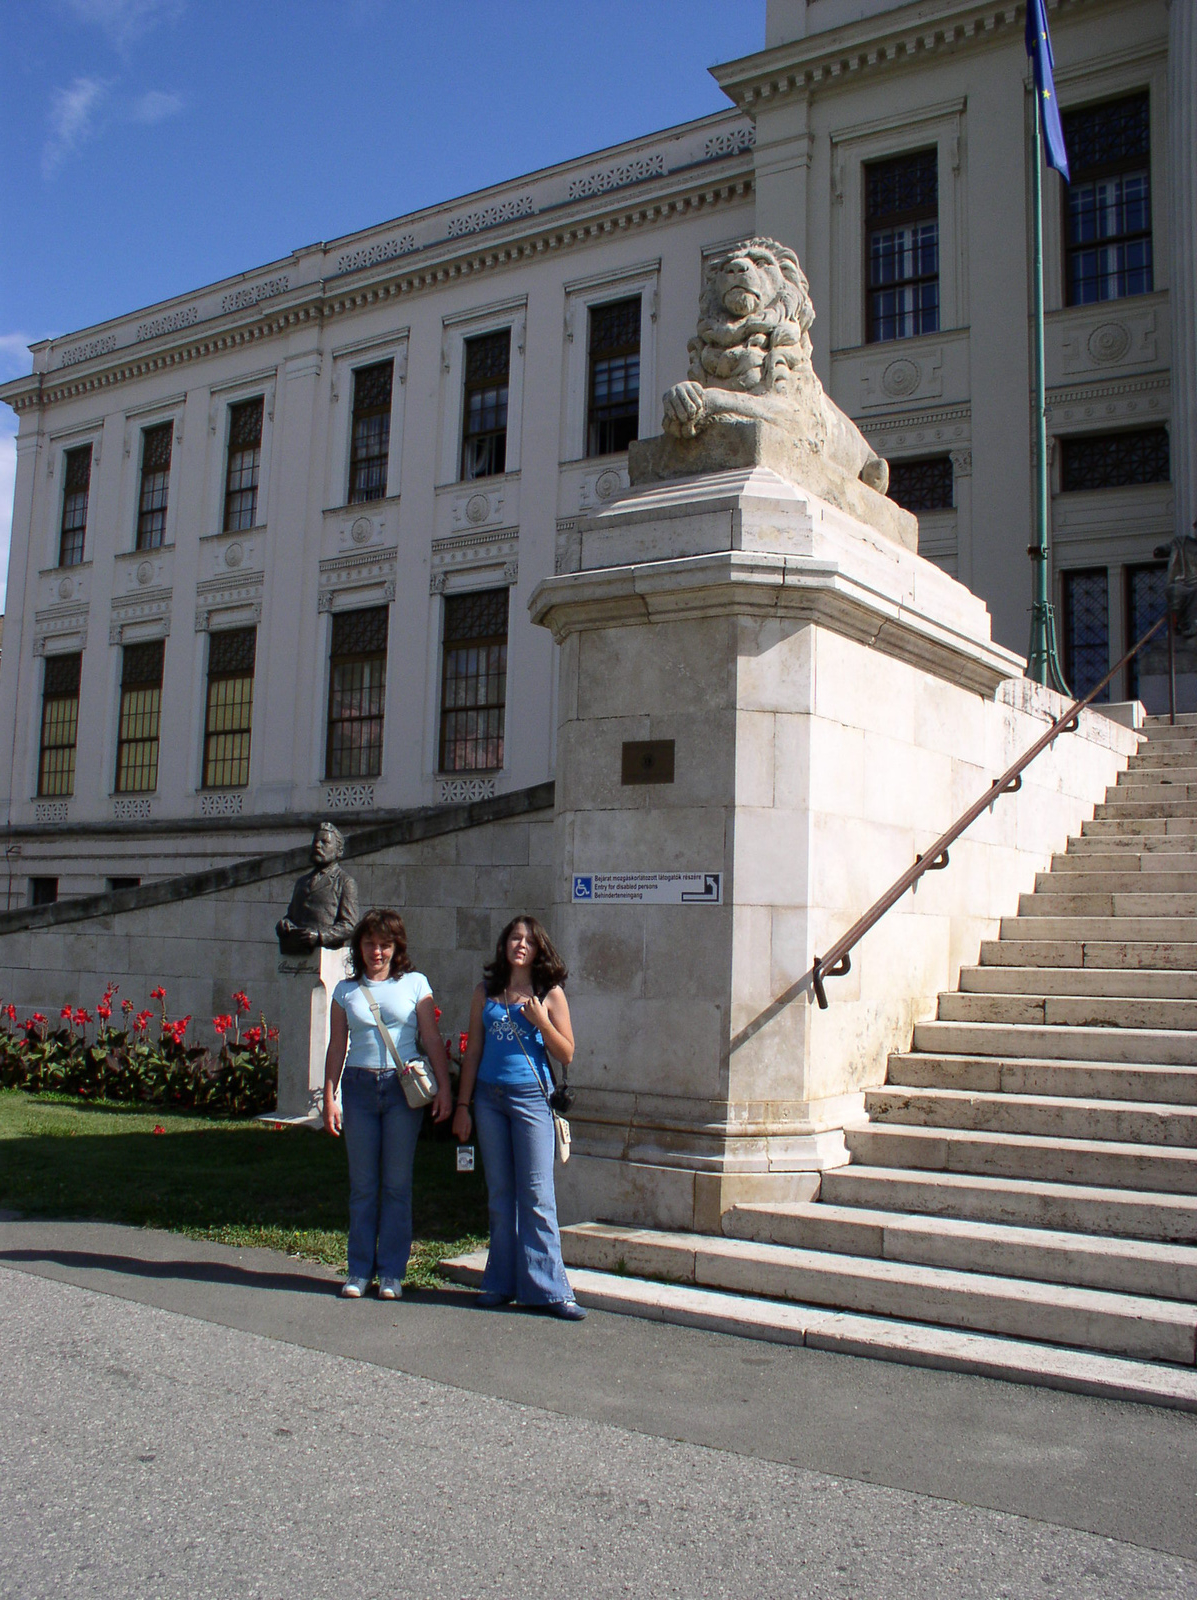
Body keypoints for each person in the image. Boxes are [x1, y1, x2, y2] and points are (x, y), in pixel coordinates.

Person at [452, 915, 585, 1320]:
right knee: (500, 1193)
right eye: (513, 937)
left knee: (537, 1193)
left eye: (527, 939)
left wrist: (541, 1019)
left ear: (538, 948)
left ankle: (550, 1289)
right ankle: (500, 1281)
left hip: (531, 1098)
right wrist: (463, 1106)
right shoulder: (485, 992)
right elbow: (472, 1051)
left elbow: (567, 1053)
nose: (520, 945)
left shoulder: (550, 993)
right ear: (504, 945)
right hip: (490, 1099)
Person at [323, 908, 452, 1298]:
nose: (376, 952)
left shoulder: (415, 984)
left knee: (396, 1185)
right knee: (363, 1187)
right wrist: (330, 1097)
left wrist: (445, 1088)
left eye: (384, 945)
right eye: (369, 944)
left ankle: (392, 1272)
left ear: (397, 948)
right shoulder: (345, 991)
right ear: (358, 947)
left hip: (402, 1091)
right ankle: (359, 1271)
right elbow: (336, 1046)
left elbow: (431, 1039)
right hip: (359, 1087)